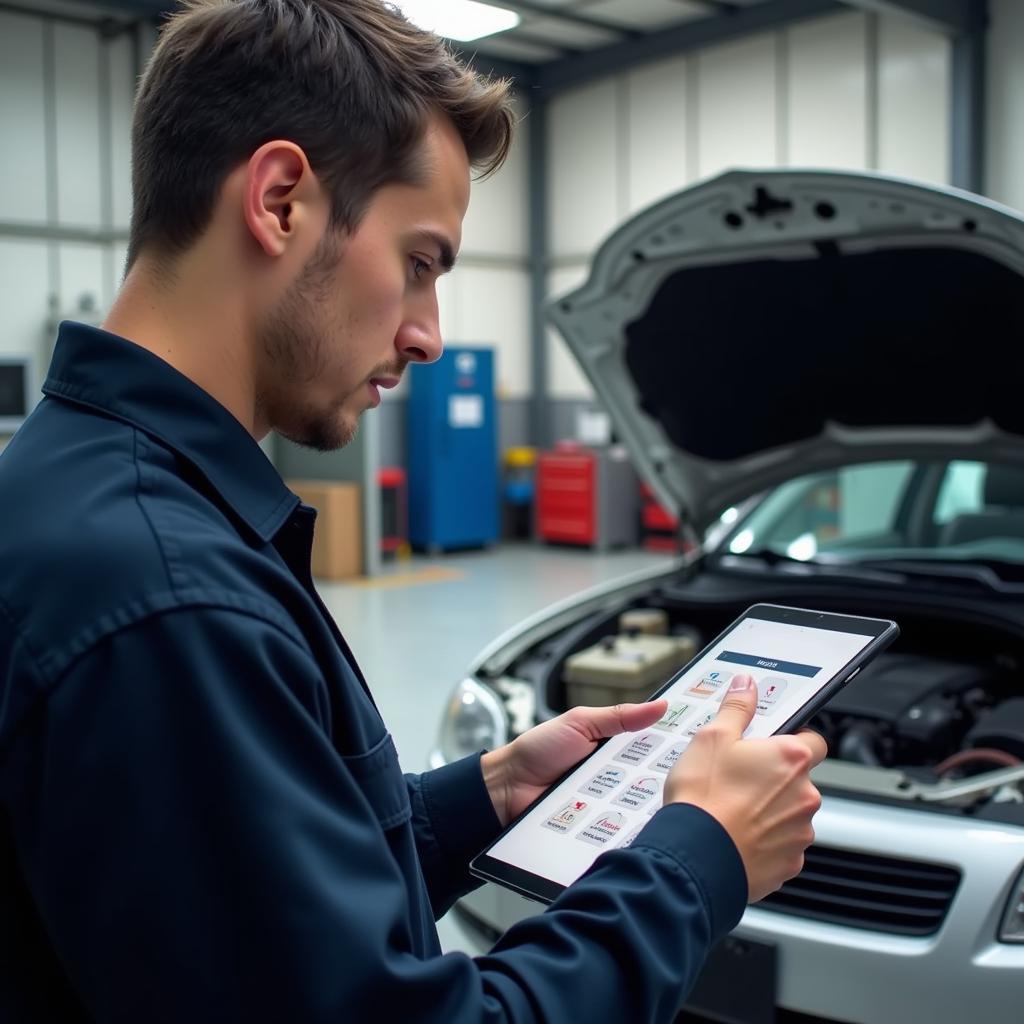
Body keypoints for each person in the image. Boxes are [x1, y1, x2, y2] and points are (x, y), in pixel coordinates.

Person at [0, 1, 826, 1020]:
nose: (429, 335)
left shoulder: (75, 489)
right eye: (422, 263)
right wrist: (696, 856)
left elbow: (249, 928)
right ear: (281, 200)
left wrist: (472, 805)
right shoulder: (170, 598)